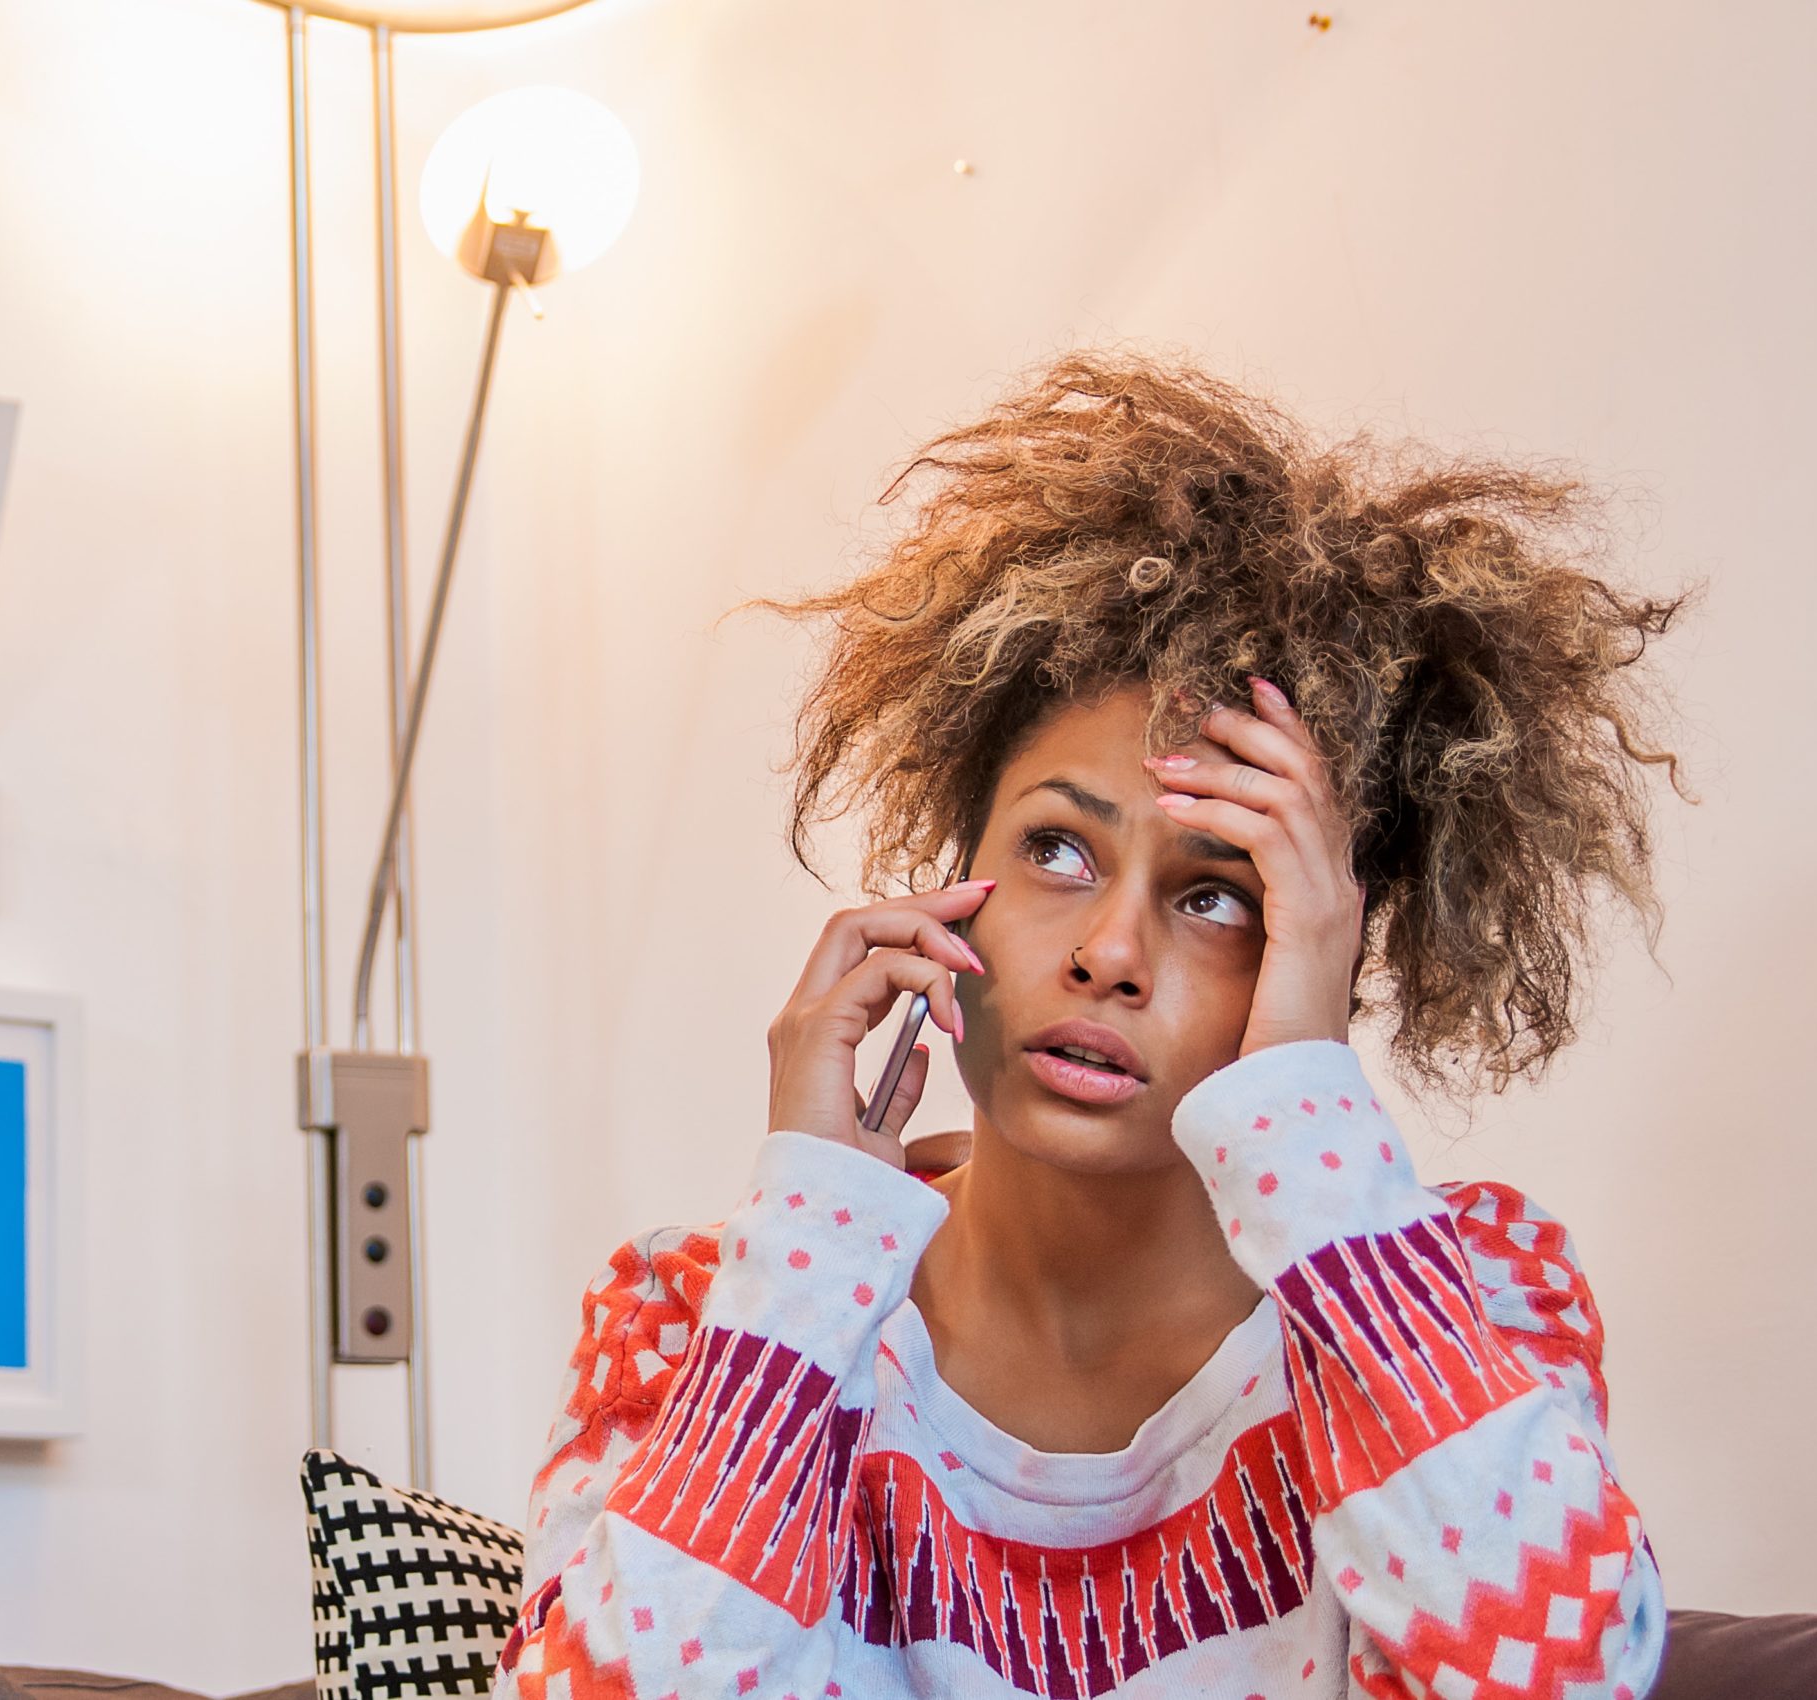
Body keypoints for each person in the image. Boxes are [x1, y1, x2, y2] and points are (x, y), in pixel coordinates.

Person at [494, 354, 1687, 1700]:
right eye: (1058, 851)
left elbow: (1559, 1679)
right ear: (959, 880)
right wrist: (810, 1239)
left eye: (1220, 898)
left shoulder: (1460, 1301)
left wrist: (1305, 1110)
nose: (1111, 952)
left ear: (1325, 956)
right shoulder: (705, 1311)